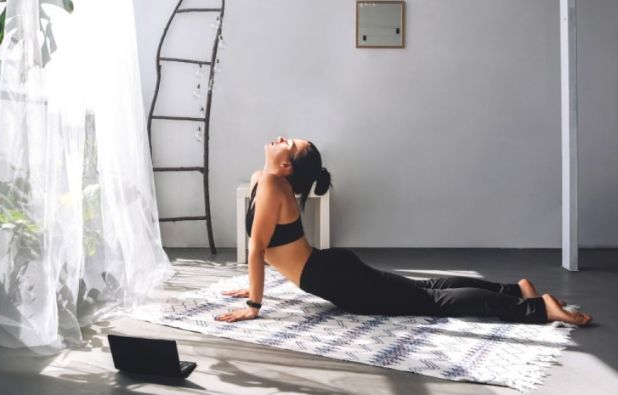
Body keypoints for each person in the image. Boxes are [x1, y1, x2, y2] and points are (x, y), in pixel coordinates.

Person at [215, 137, 593, 326]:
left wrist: (254, 306)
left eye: (287, 142)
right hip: (330, 271)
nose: (279, 137)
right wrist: (255, 284)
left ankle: (535, 308)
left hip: (335, 278)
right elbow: (268, 251)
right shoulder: (263, 181)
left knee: (430, 302)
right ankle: (515, 290)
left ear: (285, 166)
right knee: (422, 289)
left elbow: (257, 249)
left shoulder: (270, 185)